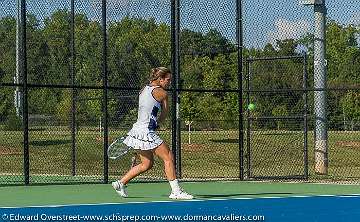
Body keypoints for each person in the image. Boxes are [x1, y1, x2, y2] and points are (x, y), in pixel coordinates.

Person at [112, 67, 193, 200]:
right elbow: (165, 113)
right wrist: (157, 123)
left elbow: (148, 110)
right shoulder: (162, 93)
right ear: (160, 79)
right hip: (145, 132)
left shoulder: (143, 89)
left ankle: (121, 183)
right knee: (168, 157)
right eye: (168, 80)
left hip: (136, 131)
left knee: (147, 164)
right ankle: (176, 191)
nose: (169, 82)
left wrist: (153, 123)